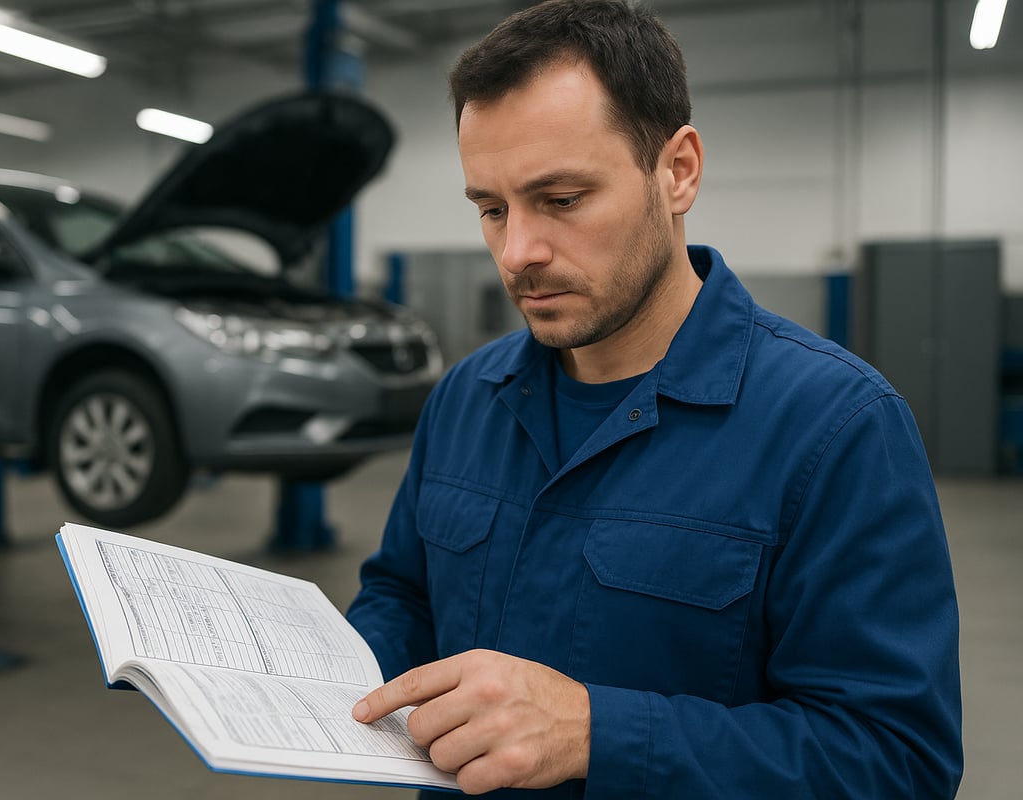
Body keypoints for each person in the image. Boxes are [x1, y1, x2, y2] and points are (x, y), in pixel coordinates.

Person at [346, 1, 963, 797]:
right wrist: (311, 677)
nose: (519, 252)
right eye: (492, 210)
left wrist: (599, 734)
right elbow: (403, 592)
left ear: (677, 172)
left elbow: (896, 760)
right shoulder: (469, 396)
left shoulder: (835, 427)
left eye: (562, 199)